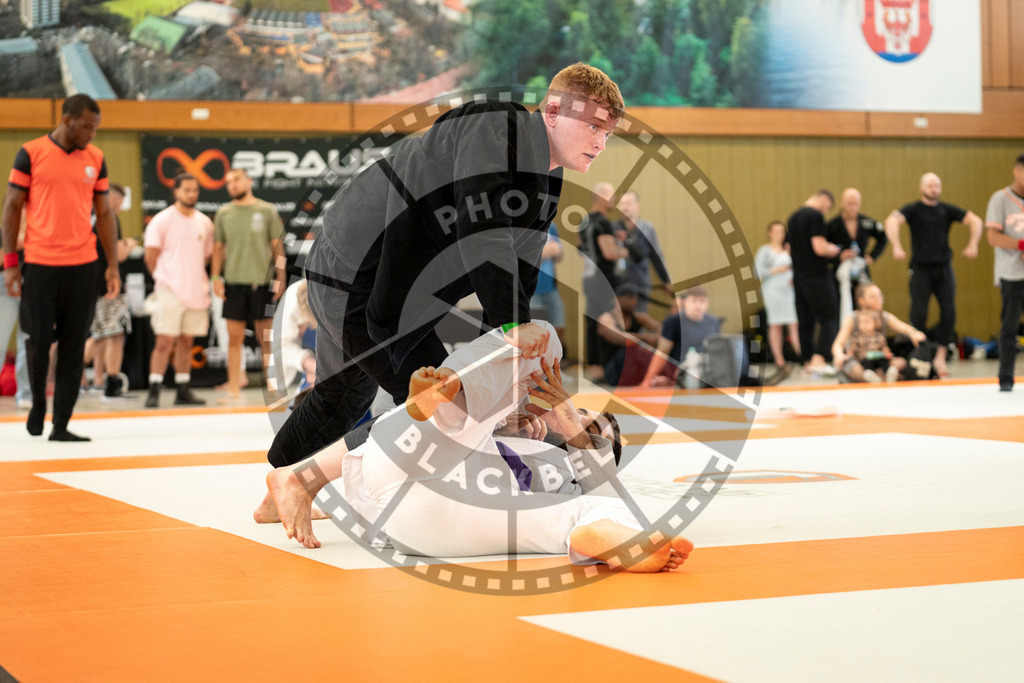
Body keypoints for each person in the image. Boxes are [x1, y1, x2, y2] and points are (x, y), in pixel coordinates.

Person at [264, 63, 624, 474]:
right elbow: (483, 231)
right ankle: (300, 486)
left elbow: (519, 275)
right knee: (446, 406)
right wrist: (512, 332)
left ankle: (280, 481)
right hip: (356, 268)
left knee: (342, 398)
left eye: (609, 134)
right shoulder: (495, 125)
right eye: (595, 127)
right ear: (555, 110)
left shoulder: (545, 183)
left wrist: (510, 389)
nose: (602, 143)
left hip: (391, 290)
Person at [264, 319, 692, 572]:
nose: (582, 419)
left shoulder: (568, 472)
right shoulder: (513, 416)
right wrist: (507, 420)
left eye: (597, 433)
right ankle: (448, 394)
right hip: (405, 454)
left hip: (429, 517)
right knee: (543, 338)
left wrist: (576, 435)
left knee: (606, 511)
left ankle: (614, 542)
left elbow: (604, 488)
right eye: (587, 414)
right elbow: (377, 436)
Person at [2, 94, 120, 441]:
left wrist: (111, 265)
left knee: (73, 344)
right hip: (39, 265)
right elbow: (11, 207)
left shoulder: (95, 158)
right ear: (67, 120)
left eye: (95, 127)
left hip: (83, 266)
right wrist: (11, 264)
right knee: (38, 341)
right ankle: (38, 404)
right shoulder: (31, 152)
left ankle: (61, 423)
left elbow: (105, 213)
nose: (92, 134)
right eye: (87, 126)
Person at [885, 172, 983, 377]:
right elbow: (892, 220)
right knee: (918, 314)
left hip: (943, 268)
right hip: (921, 268)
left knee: (949, 313)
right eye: (930, 185)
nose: (934, 189)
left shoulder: (946, 210)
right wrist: (897, 246)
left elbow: (974, 220)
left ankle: (940, 356)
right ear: (922, 187)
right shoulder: (913, 210)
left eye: (937, 185)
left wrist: (973, 243)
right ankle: (921, 354)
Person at [211, 168, 286, 402]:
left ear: (248, 181)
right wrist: (216, 277)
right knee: (234, 339)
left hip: (261, 284)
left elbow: (278, 247)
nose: (232, 185)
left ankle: (274, 389)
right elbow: (218, 249)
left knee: (266, 338)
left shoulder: (266, 210)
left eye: (236, 179)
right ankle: (234, 387)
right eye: (228, 182)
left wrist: (281, 277)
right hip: (233, 284)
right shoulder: (224, 213)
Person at [142, 173, 214, 408]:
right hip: (169, 290)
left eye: (195, 190)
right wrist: (167, 278)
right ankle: (154, 388)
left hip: (195, 290)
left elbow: (205, 257)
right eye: (187, 190)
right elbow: (150, 256)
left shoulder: (204, 222)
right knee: (164, 341)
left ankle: (183, 389)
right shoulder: (161, 220)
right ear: (176, 192)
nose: (191, 194)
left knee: (186, 341)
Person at [87, 183, 137, 401]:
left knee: (99, 335)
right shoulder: (107, 216)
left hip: (91, 283)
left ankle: (97, 381)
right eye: (119, 199)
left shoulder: (88, 215)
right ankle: (112, 384)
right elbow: (120, 255)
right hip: (109, 284)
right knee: (115, 334)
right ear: (113, 197)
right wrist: (130, 244)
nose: (120, 203)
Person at [787, 189, 845, 375]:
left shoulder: (793, 217)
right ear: (823, 199)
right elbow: (819, 248)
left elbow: (789, 248)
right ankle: (819, 359)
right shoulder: (815, 216)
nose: (826, 211)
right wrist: (835, 250)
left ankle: (807, 361)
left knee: (806, 320)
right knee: (829, 315)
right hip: (817, 275)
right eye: (827, 207)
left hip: (799, 276)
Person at [983, 153, 1024, 392]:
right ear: (1016, 171)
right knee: (1009, 327)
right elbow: (993, 236)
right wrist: (1021, 245)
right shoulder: (1000, 199)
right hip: (1012, 273)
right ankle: (1006, 378)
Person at [831, 283, 926, 382]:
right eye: (873, 296)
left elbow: (905, 328)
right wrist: (839, 355)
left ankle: (880, 378)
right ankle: (872, 378)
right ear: (861, 301)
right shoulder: (852, 318)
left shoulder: (884, 316)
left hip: (880, 360)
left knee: (900, 362)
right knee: (850, 365)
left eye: (880, 295)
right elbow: (838, 343)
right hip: (860, 361)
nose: (878, 299)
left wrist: (914, 333)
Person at [581, 181, 627, 381]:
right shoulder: (603, 222)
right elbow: (609, 253)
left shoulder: (584, 222)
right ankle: (607, 369)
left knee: (592, 321)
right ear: (601, 196)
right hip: (604, 279)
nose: (614, 199)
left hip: (590, 277)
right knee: (606, 321)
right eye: (612, 195)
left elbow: (582, 246)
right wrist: (623, 249)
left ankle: (595, 367)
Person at [639, 286, 721, 388]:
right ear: (686, 302)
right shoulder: (673, 321)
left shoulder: (713, 321)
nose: (698, 305)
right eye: (694, 301)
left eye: (702, 301)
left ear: (707, 303)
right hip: (680, 373)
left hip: (706, 374)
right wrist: (647, 381)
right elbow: (662, 352)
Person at [826, 188, 888, 318]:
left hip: (861, 268)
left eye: (856, 203)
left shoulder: (866, 222)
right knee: (841, 302)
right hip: (840, 271)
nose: (853, 207)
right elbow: (823, 247)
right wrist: (838, 256)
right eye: (849, 203)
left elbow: (883, 238)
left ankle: (865, 331)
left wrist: (872, 256)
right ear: (842, 203)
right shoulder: (833, 225)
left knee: (865, 300)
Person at [755, 220, 800, 384]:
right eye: (776, 231)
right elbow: (757, 271)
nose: (779, 234)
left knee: (794, 324)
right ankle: (779, 360)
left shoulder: (788, 249)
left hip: (789, 291)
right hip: (773, 290)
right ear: (769, 233)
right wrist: (778, 270)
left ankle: (801, 357)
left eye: (782, 231)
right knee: (775, 324)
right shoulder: (765, 250)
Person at [614, 190, 673, 313]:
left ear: (638, 205)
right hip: (617, 285)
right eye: (622, 203)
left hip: (640, 282)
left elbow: (656, 256)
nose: (625, 207)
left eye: (629, 203)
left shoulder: (647, 229)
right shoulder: (613, 227)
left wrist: (665, 280)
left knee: (639, 319)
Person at [594, 282, 662, 387]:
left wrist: (655, 339)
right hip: (613, 372)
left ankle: (658, 375)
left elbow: (664, 332)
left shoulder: (639, 318)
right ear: (619, 299)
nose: (634, 302)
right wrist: (646, 338)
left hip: (632, 370)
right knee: (633, 348)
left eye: (635, 298)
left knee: (657, 347)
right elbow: (619, 338)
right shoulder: (606, 318)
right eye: (630, 298)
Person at [0, 214, 30, 409]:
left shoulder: (37, 232)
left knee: (28, 342)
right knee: (0, 340)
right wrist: (10, 249)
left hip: (31, 284)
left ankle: (25, 393)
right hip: (4, 286)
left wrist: (27, 244)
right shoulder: (3, 231)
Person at [529, 224, 567, 352]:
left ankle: (553, 361)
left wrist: (557, 252)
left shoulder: (552, 226)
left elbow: (559, 255)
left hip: (550, 287)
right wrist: (545, 252)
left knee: (559, 325)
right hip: (531, 290)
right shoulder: (524, 224)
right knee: (534, 332)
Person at [838, 309, 899, 383]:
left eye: (867, 322)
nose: (864, 325)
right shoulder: (857, 336)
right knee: (866, 363)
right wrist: (848, 356)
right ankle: (871, 376)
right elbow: (851, 349)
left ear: (875, 323)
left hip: (877, 357)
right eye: (861, 322)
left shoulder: (879, 336)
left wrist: (886, 353)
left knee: (883, 361)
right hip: (864, 358)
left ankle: (888, 373)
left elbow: (884, 347)